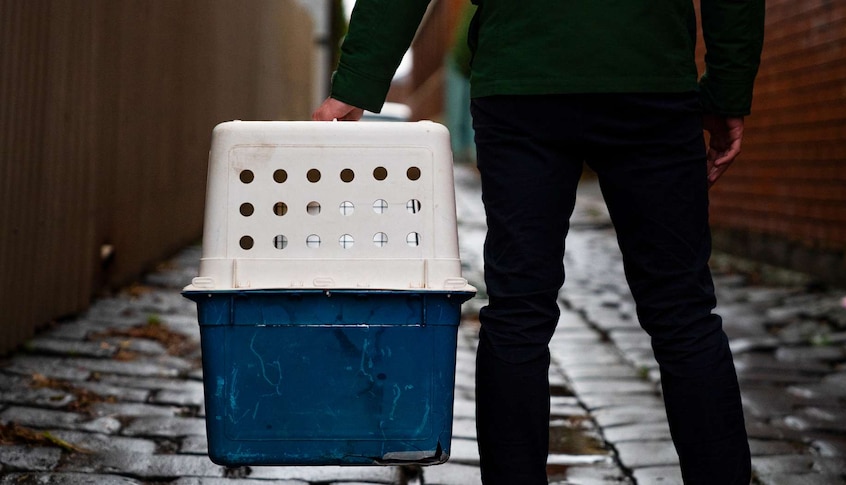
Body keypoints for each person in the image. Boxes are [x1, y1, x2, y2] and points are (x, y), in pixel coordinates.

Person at [313, 1, 764, 484]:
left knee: (518, 311)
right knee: (682, 312)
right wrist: (727, 91)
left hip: (521, 76)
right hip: (645, 72)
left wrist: (356, 81)